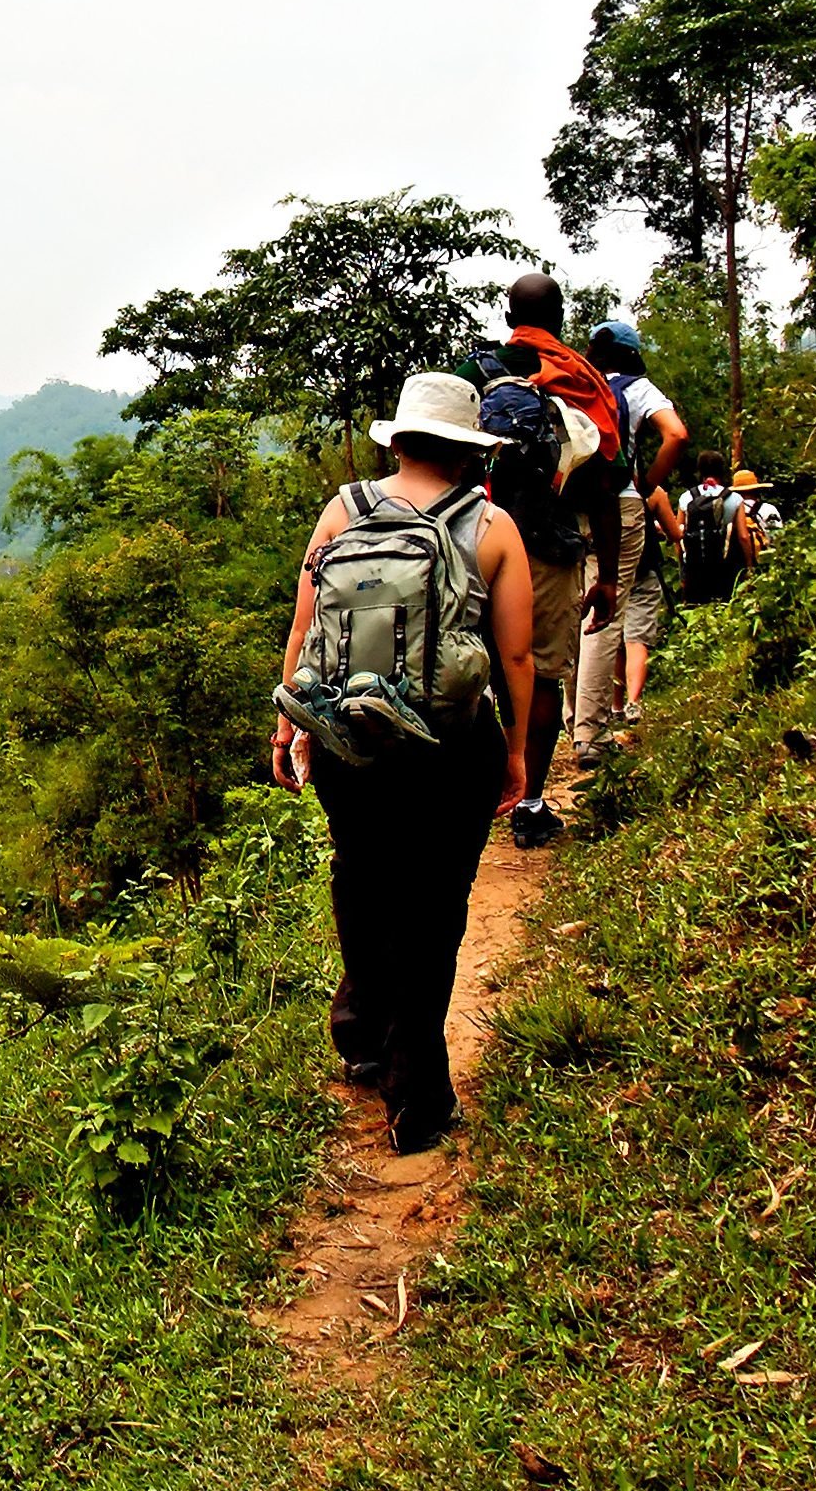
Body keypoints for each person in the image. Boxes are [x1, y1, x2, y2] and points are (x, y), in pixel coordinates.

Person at [269, 370, 535, 1155]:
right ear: (467, 448)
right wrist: (516, 754)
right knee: (434, 906)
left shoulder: (342, 510)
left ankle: (360, 1033)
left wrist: (291, 724)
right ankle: (415, 1095)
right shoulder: (493, 526)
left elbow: (304, 628)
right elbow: (514, 654)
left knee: (359, 873)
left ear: (400, 438)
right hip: (451, 745)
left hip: (350, 735)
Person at [469, 272, 621, 847]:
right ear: (561, 317)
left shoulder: (478, 372)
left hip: (476, 543)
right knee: (543, 673)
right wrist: (606, 577)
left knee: (476, 670)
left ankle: (477, 792)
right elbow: (606, 488)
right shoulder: (583, 384)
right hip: (549, 550)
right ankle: (529, 804)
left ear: (509, 317)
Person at [572, 320, 687, 766]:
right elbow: (675, 434)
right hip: (619, 504)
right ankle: (591, 733)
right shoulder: (638, 390)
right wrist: (648, 484)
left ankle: (569, 716)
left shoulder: (578, 387)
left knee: (574, 606)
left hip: (571, 506)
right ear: (632, 353)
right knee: (607, 614)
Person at [678, 453, 749, 607]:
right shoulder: (735, 498)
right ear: (722, 470)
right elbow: (743, 536)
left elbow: (679, 535)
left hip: (694, 568)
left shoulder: (686, 498)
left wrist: (682, 569)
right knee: (724, 607)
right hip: (725, 567)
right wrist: (749, 566)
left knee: (694, 609)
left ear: (700, 470)